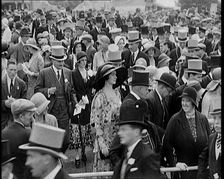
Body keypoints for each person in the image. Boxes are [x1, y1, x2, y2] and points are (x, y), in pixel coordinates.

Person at [34, 45, 77, 153]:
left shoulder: (68, 72)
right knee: (52, 137)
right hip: (50, 109)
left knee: (65, 140)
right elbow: (37, 90)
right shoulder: (44, 72)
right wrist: (47, 91)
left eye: (62, 61)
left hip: (64, 110)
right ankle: (54, 158)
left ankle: (59, 154)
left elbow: (71, 91)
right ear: (52, 60)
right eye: (58, 61)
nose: (61, 64)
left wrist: (75, 103)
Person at [163, 87, 210, 179]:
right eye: (182, 100)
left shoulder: (203, 119)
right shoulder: (175, 120)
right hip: (183, 171)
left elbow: (209, 142)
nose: (184, 103)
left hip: (202, 170)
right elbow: (167, 145)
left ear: (193, 102)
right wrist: (175, 163)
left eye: (187, 101)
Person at [112, 99, 167, 179]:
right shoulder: (125, 156)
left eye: (124, 129)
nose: (120, 133)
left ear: (136, 132)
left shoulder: (147, 157)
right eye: (120, 129)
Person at [90, 63, 126, 172]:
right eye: (113, 75)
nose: (116, 77)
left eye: (116, 74)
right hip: (105, 138)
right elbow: (97, 122)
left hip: (117, 137)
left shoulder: (117, 93)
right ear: (106, 77)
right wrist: (101, 143)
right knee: (105, 170)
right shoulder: (100, 97)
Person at [70, 51, 94, 167]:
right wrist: (77, 102)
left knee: (85, 129)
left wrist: (88, 98)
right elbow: (72, 89)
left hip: (87, 104)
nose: (84, 63)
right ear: (78, 62)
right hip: (78, 105)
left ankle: (84, 151)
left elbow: (90, 88)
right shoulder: (74, 73)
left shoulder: (88, 73)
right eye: (82, 60)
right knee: (77, 129)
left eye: (85, 60)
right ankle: (77, 156)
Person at [2, 99, 36, 179]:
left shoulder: (3, 132)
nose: (32, 118)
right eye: (30, 115)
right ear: (21, 116)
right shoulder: (28, 134)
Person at [146, 72, 177, 140]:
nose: (170, 94)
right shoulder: (150, 100)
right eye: (169, 91)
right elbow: (150, 124)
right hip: (154, 138)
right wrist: (164, 134)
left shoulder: (164, 100)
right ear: (162, 87)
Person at [1, 61, 27, 130]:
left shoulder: (22, 84)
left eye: (15, 70)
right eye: (11, 70)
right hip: (3, 119)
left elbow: (25, 101)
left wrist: (15, 102)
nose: (13, 72)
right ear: (6, 69)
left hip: (16, 120)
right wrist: (5, 103)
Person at [197, 107, 221, 179]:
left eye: (220, 118)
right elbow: (202, 158)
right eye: (214, 118)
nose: (216, 122)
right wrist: (201, 176)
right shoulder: (211, 138)